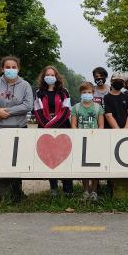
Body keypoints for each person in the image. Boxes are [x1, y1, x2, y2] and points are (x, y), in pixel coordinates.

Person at [0, 55, 33, 200]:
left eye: (13, 67)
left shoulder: (25, 85)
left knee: (18, 162)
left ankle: (17, 194)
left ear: (18, 68)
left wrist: (5, 112)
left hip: (19, 129)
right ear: (2, 69)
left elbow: (27, 105)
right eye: (7, 67)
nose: (10, 70)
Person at [33, 65, 73, 197]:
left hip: (63, 127)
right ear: (44, 77)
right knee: (49, 157)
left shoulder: (64, 92)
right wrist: (47, 125)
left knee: (65, 157)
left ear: (57, 77)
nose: (50, 77)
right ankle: (53, 188)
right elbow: (37, 111)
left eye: (52, 75)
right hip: (44, 128)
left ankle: (68, 189)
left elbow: (66, 111)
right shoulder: (39, 92)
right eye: (47, 75)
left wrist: (53, 124)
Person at [71, 82, 105, 201]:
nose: (87, 94)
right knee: (83, 167)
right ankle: (85, 190)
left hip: (95, 141)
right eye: (84, 92)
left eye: (89, 92)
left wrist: (96, 137)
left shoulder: (98, 107)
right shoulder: (75, 108)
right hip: (81, 142)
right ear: (81, 93)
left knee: (95, 167)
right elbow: (74, 125)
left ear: (93, 93)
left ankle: (94, 191)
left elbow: (101, 126)